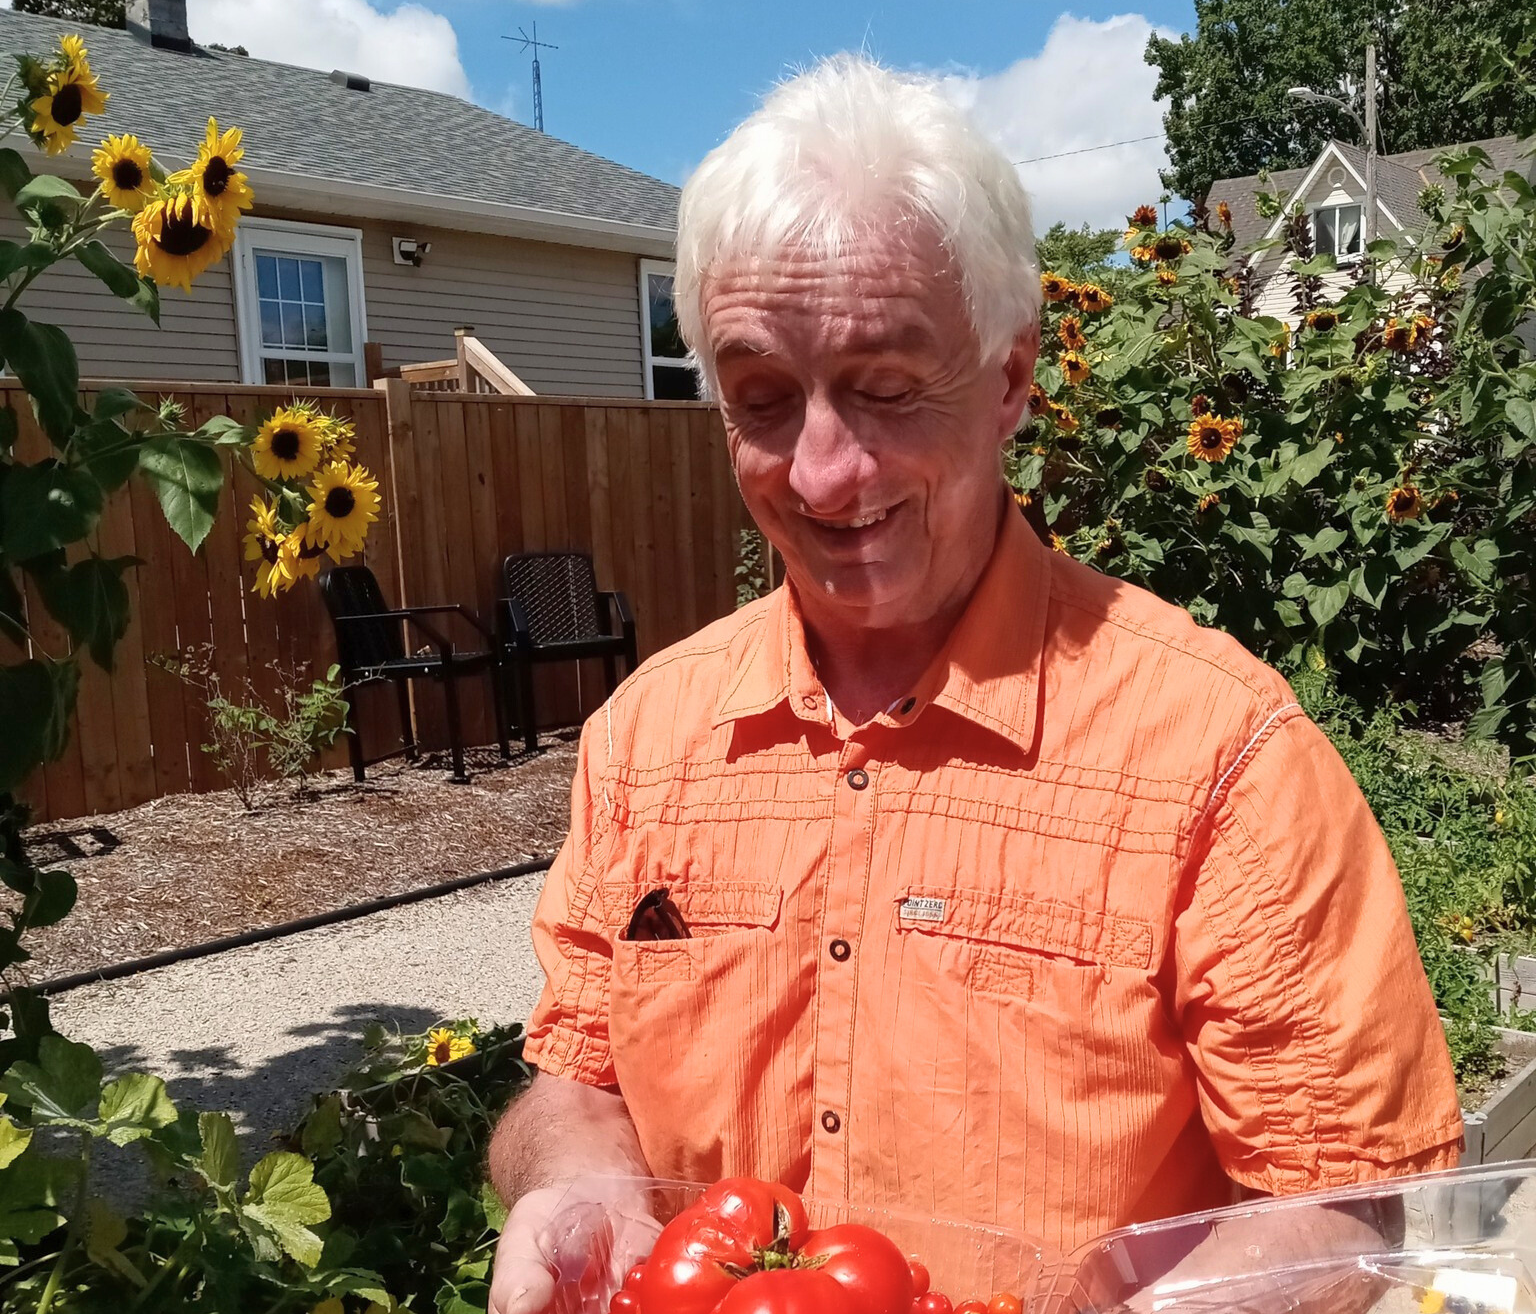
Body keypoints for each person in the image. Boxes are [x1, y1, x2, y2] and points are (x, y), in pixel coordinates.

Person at [486, 54, 1463, 1314]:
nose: (825, 471)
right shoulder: (646, 740)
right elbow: (576, 1076)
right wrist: (571, 1180)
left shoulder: (1219, 756)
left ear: (1009, 380)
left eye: (888, 389)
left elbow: (1344, 1202)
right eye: (764, 400)